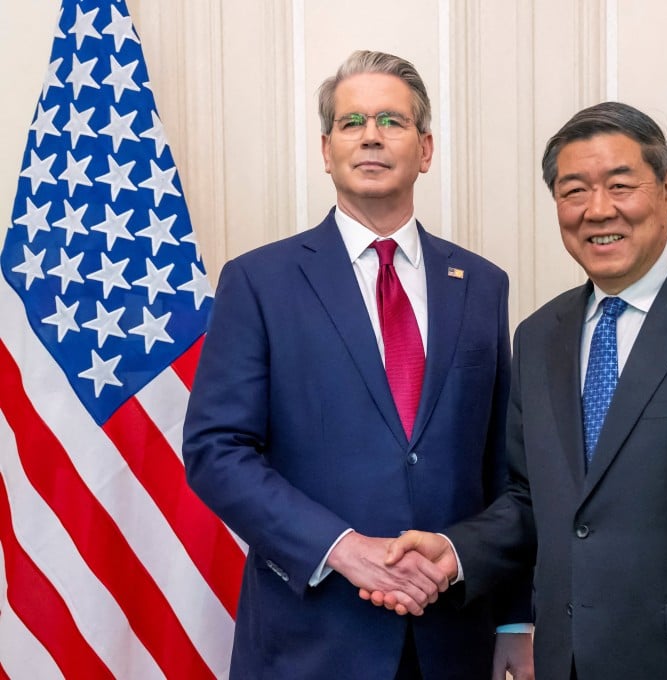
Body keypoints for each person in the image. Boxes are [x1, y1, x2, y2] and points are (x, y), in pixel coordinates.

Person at [373, 101, 667, 679]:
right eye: (574, 191)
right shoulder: (538, 336)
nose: (598, 210)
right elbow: (532, 499)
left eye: (620, 184)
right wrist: (457, 554)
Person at [183, 50, 533, 680]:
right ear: (326, 149)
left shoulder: (482, 284)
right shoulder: (259, 281)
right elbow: (216, 450)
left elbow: (504, 472)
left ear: (425, 149)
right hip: (310, 640)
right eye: (352, 122)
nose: (371, 135)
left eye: (391, 121)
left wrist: (514, 618)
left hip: (452, 639)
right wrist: (341, 549)